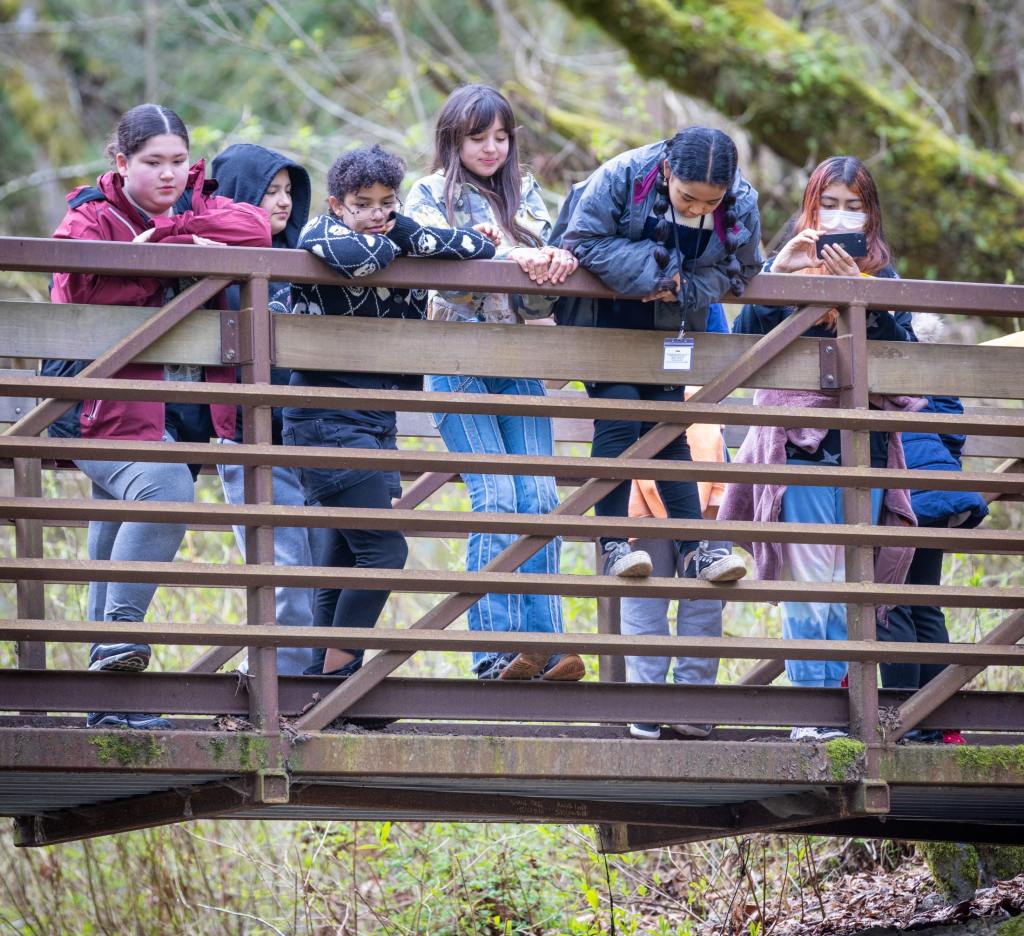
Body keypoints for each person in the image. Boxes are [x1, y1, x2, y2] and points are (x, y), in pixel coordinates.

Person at [41, 103, 271, 729]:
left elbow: (257, 234)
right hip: (101, 405)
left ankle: (108, 705)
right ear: (121, 162)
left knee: (115, 530)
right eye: (152, 163)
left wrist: (177, 233)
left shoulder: (195, 203)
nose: (167, 175)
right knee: (165, 485)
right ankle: (119, 637)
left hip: (176, 411)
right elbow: (81, 281)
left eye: (177, 162)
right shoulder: (92, 215)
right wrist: (167, 257)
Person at [720, 155, 921, 741]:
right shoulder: (787, 262)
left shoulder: (883, 274)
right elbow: (740, 349)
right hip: (799, 448)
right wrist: (777, 280)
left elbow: (902, 357)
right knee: (810, 580)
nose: (839, 217)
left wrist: (863, 296)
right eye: (828, 204)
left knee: (853, 583)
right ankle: (814, 718)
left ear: (870, 214)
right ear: (810, 209)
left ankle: (848, 715)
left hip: (867, 449)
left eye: (852, 206)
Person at [283, 143, 496, 678]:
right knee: (383, 551)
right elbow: (359, 261)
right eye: (363, 204)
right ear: (337, 204)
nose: (378, 213)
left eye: (386, 202)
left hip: (374, 418)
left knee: (343, 554)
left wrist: (411, 237)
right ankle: (342, 674)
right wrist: (406, 240)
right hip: (325, 416)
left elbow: (473, 246)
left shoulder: (391, 229)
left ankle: (320, 682)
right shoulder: (317, 234)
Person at [405, 84, 584, 682]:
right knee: (499, 496)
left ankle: (546, 651)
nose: (491, 148)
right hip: (453, 360)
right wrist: (507, 258)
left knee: (538, 498)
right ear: (453, 138)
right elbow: (439, 273)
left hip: (518, 359)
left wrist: (550, 264)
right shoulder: (427, 193)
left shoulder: (525, 190)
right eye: (478, 137)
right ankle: (496, 654)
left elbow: (539, 279)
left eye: (501, 137)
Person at [554, 126, 758, 584]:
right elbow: (581, 241)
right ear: (666, 171)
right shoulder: (623, 175)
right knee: (620, 413)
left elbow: (743, 267)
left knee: (669, 426)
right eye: (689, 198)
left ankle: (693, 550)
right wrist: (660, 274)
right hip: (603, 315)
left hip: (673, 323)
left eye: (711, 202)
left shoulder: (742, 201)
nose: (699, 209)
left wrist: (686, 289)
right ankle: (611, 543)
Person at [206, 142, 319, 676]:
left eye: (288, 193)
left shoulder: (307, 259)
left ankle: (318, 682)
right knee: (280, 565)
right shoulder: (212, 264)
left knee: (322, 562)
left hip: (309, 431)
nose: (281, 203)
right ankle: (277, 689)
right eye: (268, 192)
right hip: (249, 433)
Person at [622, 304, 736, 740]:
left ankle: (688, 701)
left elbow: (727, 352)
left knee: (704, 590)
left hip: (702, 444)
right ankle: (651, 703)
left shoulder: (703, 285)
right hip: (644, 437)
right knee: (645, 589)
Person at [879, 314, 988, 744]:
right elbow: (952, 427)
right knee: (925, 603)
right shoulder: (934, 363)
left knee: (890, 604)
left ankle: (901, 720)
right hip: (941, 493)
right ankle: (938, 721)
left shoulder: (881, 353)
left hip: (902, 493)